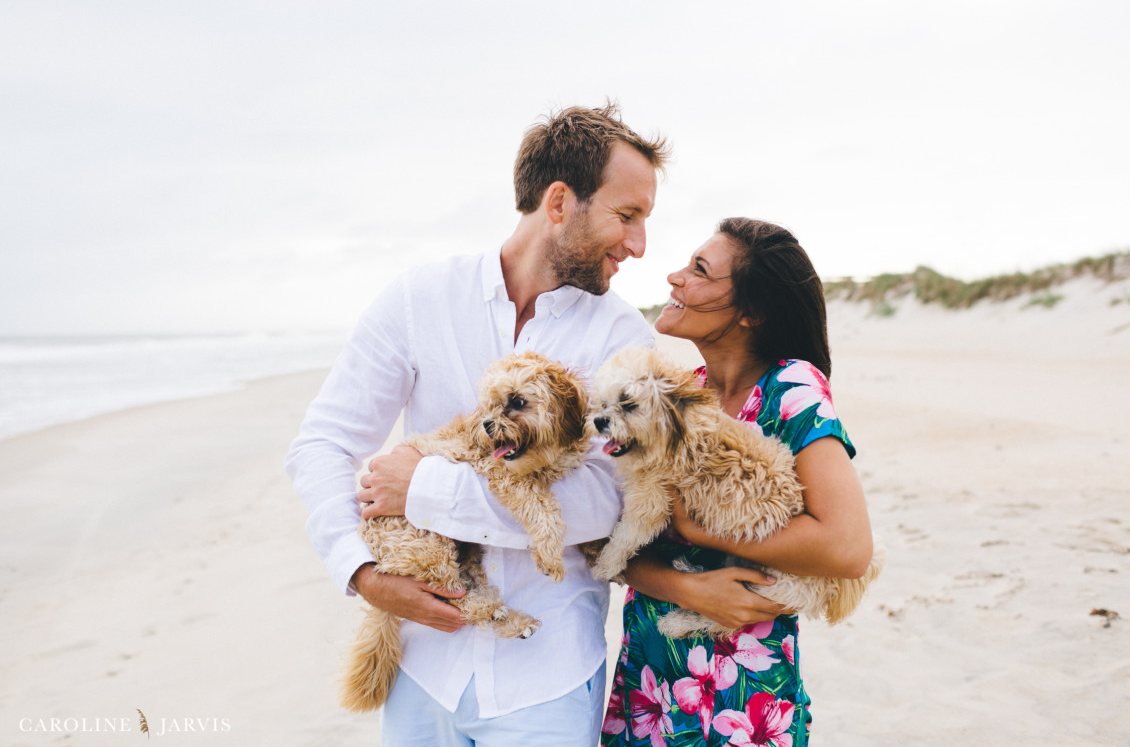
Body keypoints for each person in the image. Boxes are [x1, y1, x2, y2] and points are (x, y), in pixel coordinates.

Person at [285, 103, 669, 746]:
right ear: (558, 202)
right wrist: (362, 572)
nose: (638, 244)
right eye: (626, 216)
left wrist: (426, 491)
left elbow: (606, 500)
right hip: (420, 668)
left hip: (547, 674)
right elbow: (323, 442)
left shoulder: (622, 335)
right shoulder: (422, 298)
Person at [599, 218, 875, 747]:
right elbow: (625, 544)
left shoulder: (791, 387)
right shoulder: (683, 395)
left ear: (751, 311)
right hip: (651, 683)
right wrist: (686, 586)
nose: (675, 278)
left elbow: (848, 548)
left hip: (743, 698)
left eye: (699, 270)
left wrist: (701, 532)